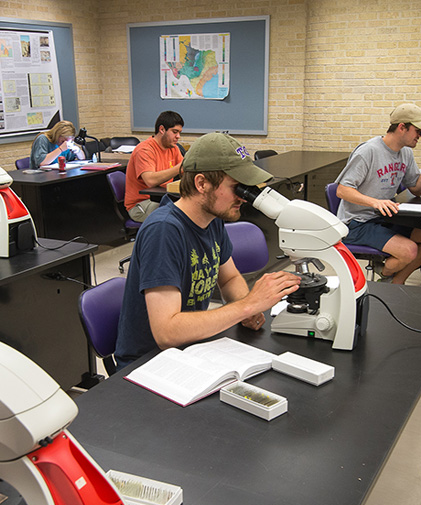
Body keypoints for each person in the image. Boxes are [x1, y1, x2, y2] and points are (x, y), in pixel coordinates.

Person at [114, 133, 301, 368]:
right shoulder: (164, 231)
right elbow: (167, 333)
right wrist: (248, 304)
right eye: (236, 188)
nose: (243, 198)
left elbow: (230, 277)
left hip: (191, 349)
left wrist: (245, 308)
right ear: (201, 183)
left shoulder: (211, 220)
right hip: (149, 363)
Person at [336, 103, 421, 284]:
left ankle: (396, 282)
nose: (420, 137)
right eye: (418, 131)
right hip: (357, 222)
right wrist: (375, 202)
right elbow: (342, 190)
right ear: (402, 127)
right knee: (409, 251)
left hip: (385, 217)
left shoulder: (405, 152)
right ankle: (385, 274)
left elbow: (416, 189)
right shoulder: (368, 151)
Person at [124, 111, 185, 222]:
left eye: (179, 132)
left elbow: (185, 171)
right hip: (141, 204)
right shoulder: (145, 150)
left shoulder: (173, 148)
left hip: (164, 198)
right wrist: (178, 168)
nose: (178, 137)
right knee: (177, 218)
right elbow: (150, 181)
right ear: (162, 129)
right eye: (175, 132)